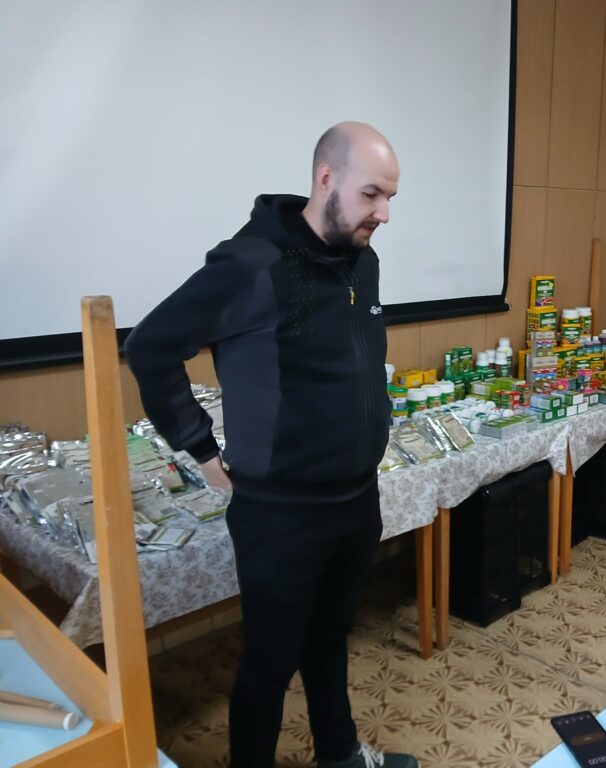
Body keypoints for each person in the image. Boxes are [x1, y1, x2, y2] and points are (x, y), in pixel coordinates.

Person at [126, 122, 417, 768]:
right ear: (325, 179)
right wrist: (200, 448)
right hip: (282, 513)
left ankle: (339, 754)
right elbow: (150, 346)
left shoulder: (363, 261)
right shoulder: (251, 264)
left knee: (330, 638)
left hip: (355, 498)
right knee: (270, 662)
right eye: (372, 195)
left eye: (391, 197)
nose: (384, 214)